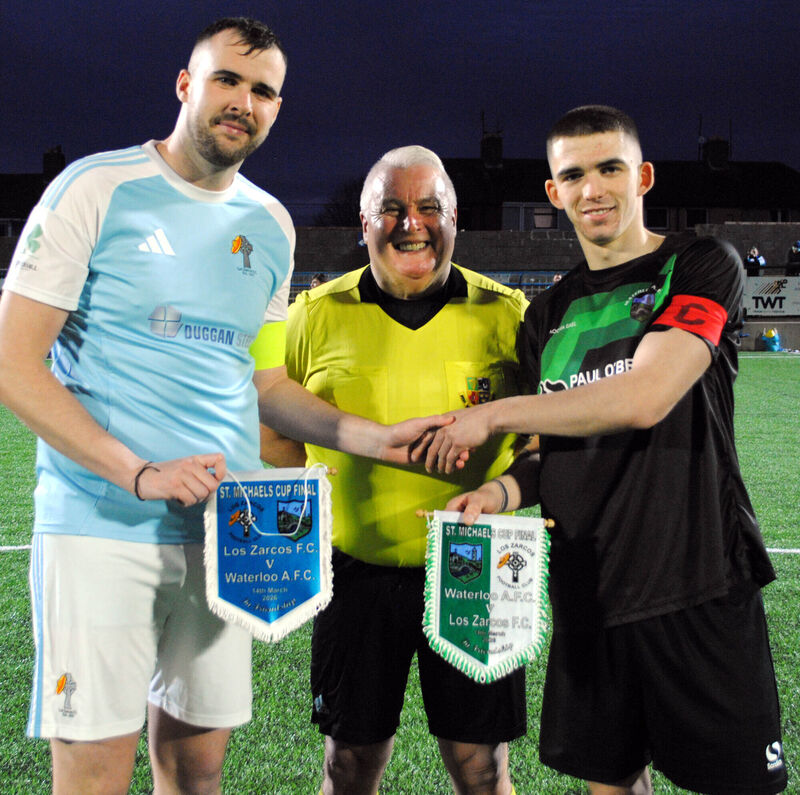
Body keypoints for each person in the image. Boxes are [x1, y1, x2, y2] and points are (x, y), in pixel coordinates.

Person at [0, 20, 447, 794]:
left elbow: (265, 385)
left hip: (227, 535)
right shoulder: (95, 189)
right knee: (96, 770)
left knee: (199, 767)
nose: (245, 101)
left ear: (277, 109)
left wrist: (378, 439)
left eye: (264, 90)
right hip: (100, 527)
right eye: (227, 80)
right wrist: (140, 473)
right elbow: (14, 362)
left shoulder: (269, 225)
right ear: (185, 85)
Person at [425, 106, 787, 795]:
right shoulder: (549, 312)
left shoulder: (699, 263)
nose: (594, 187)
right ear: (553, 193)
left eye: (610, 168)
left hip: (698, 584)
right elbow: (542, 452)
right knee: (610, 784)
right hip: (589, 596)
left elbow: (644, 395)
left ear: (643, 175)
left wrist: (491, 416)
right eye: (574, 174)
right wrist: (496, 493)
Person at [260, 146, 529, 794]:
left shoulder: (510, 314)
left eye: (429, 207)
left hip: (480, 561)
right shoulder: (312, 314)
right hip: (355, 574)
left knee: (482, 766)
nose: (411, 222)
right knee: (349, 762)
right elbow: (274, 436)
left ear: (455, 216)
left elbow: (541, 443)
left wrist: (498, 487)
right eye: (392, 208)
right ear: (364, 219)